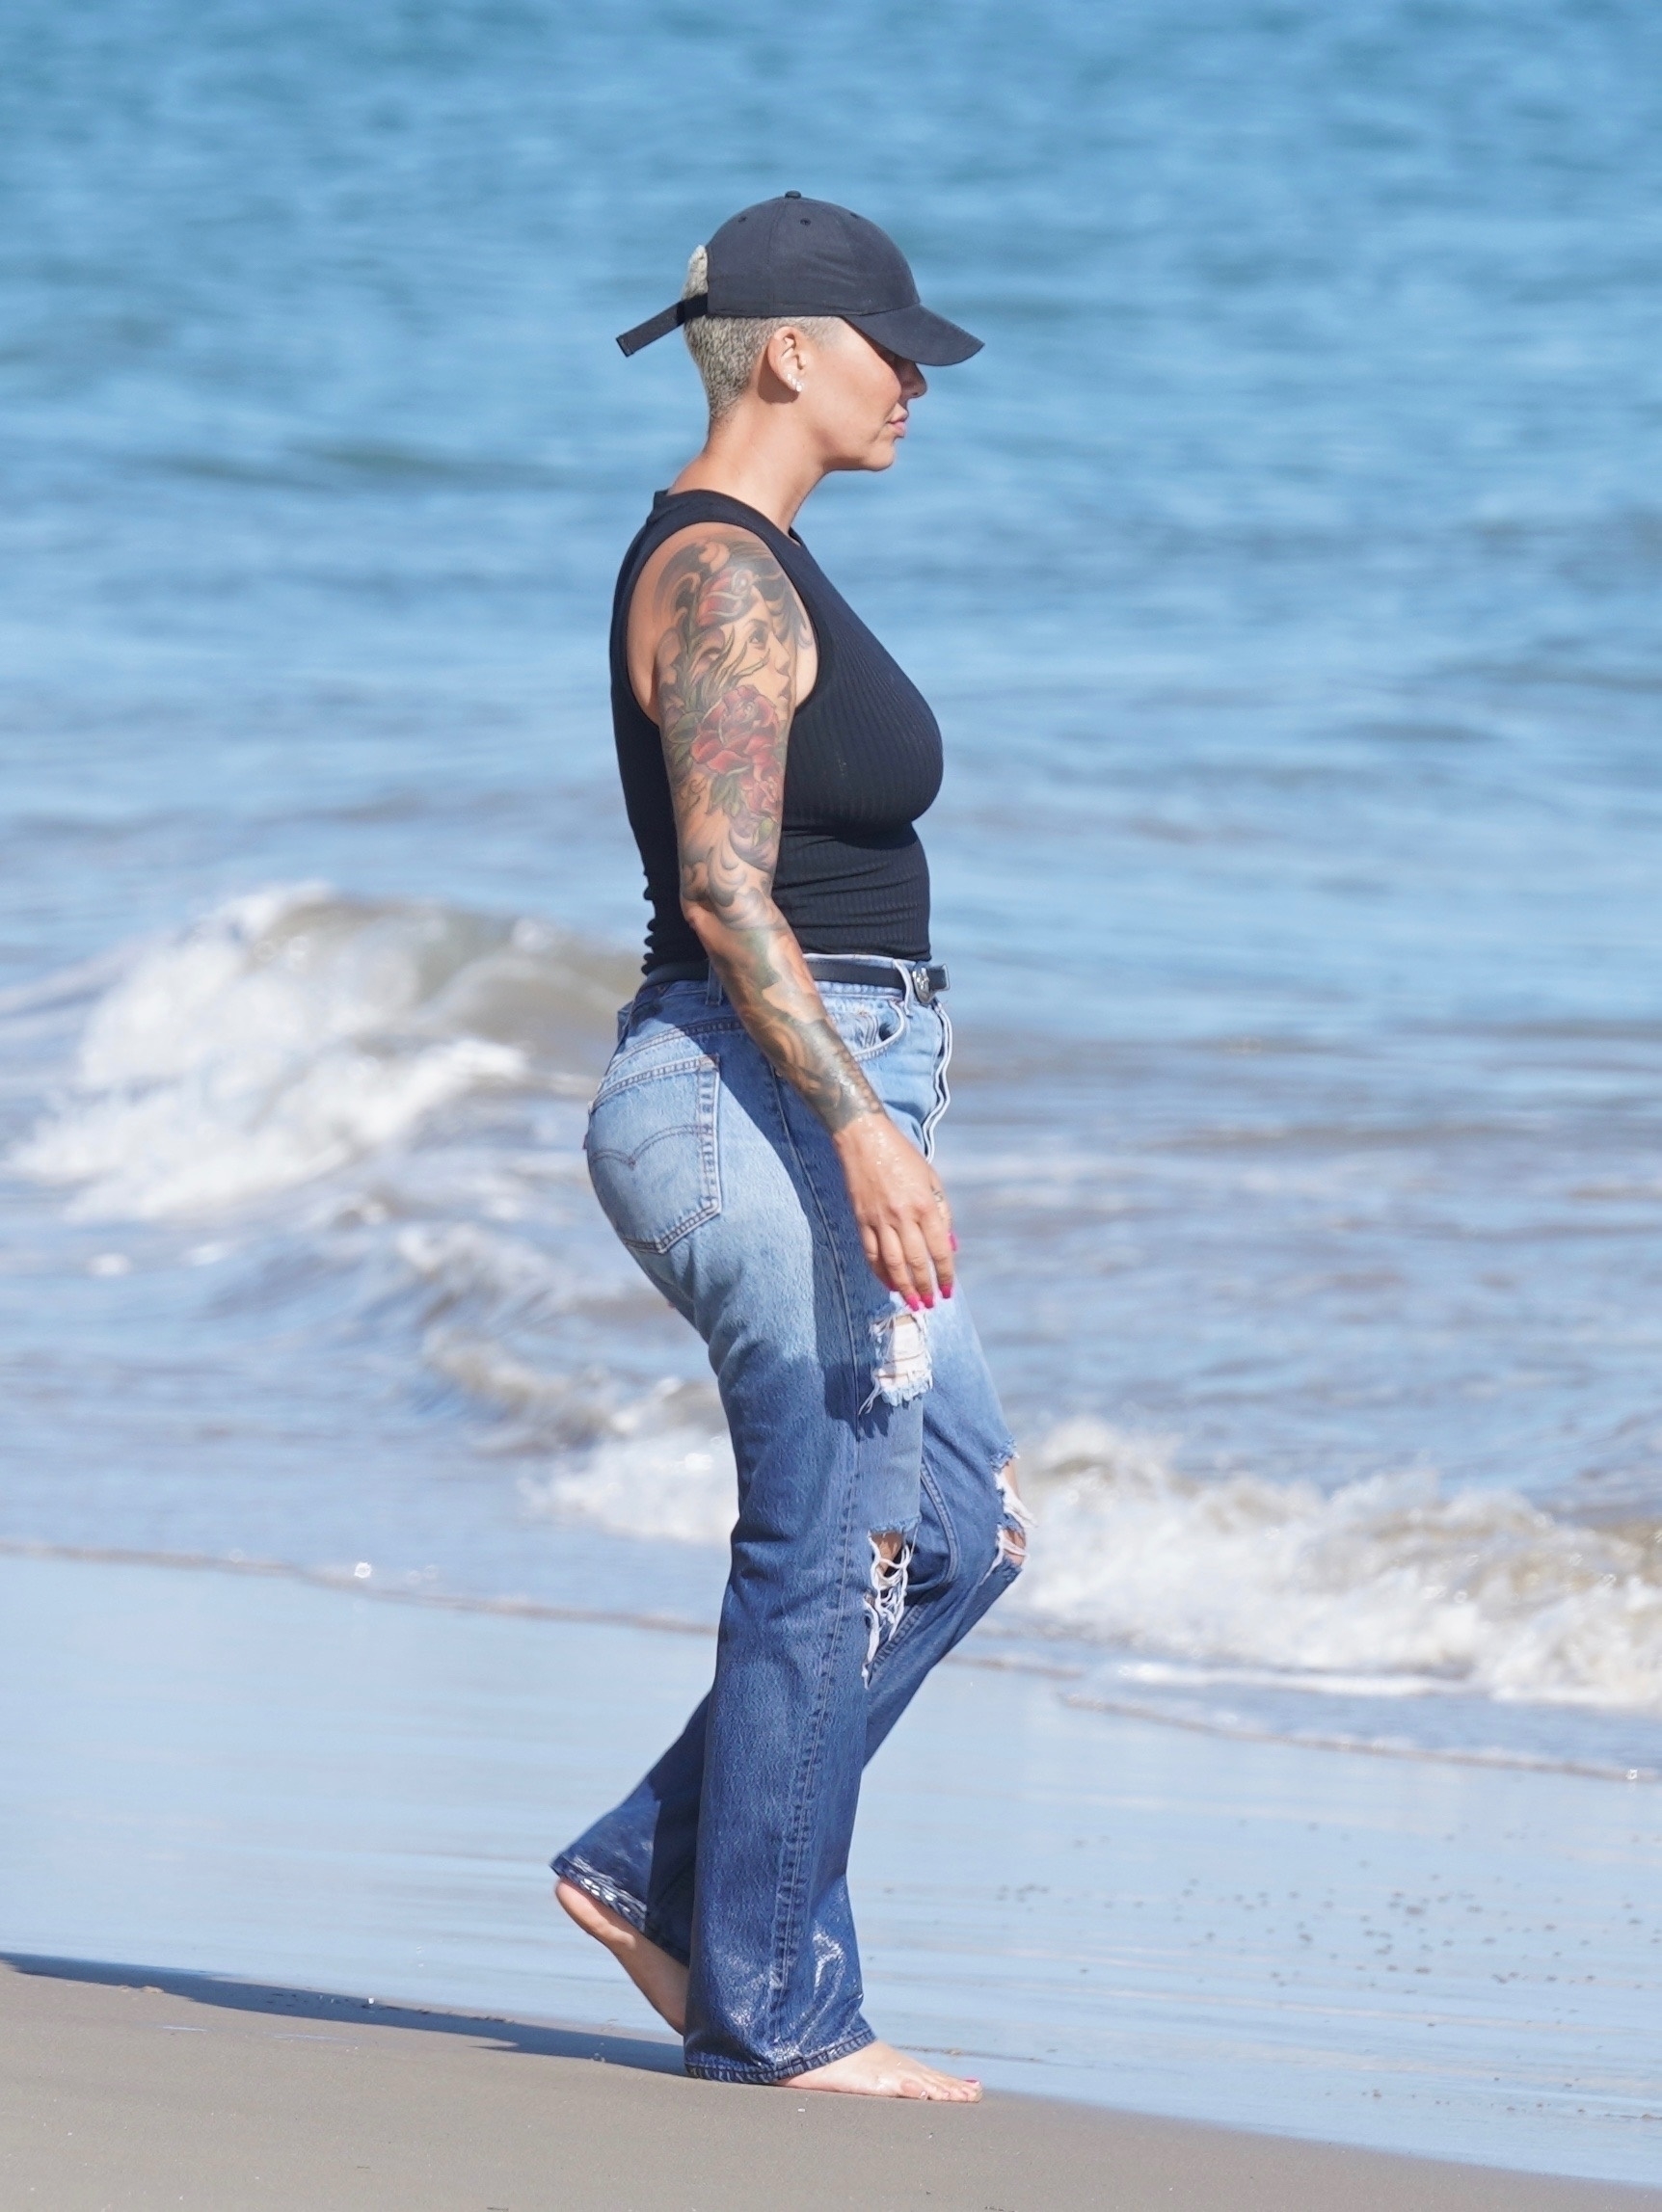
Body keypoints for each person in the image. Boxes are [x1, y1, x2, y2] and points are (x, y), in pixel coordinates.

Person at [551, 194, 1029, 2102]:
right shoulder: (722, 576)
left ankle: (656, 1869)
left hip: (814, 1080)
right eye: (892, 348)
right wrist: (859, 1132)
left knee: (959, 1529)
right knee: (833, 1532)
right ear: (790, 354)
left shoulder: (759, 563)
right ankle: (779, 2004)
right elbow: (726, 889)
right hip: (757, 1085)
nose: (916, 379)